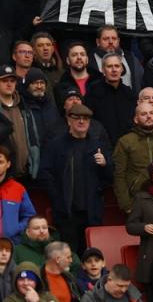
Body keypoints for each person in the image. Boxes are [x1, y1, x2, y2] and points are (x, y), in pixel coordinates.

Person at [37, 103, 112, 253]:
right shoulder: (55, 145)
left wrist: (105, 165)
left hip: (91, 212)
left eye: (85, 118)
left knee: (91, 255)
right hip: (66, 213)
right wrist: (57, 199)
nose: (81, 121)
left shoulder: (98, 146)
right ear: (68, 120)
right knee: (68, 257)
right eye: (76, 118)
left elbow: (109, 178)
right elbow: (44, 174)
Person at [85, 53, 136, 146]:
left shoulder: (128, 93)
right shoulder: (93, 92)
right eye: (109, 66)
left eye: (117, 66)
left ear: (122, 69)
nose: (114, 70)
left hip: (126, 146)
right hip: (101, 145)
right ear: (103, 70)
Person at [0, 64, 38, 179]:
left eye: (12, 80)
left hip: (27, 173)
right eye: (4, 80)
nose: (9, 84)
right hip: (4, 175)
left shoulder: (23, 107)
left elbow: (33, 138)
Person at [87, 26, 142, 94]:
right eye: (106, 39)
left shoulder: (131, 59)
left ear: (118, 41)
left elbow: (141, 82)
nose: (110, 42)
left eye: (114, 38)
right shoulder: (88, 61)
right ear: (98, 42)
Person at [12, 218, 78, 273]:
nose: (41, 231)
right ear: (28, 232)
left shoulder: (60, 248)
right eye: (36, 228)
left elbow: (76, 268)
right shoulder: (16, 251)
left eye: (44, 228)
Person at [0, 147, 33, 244]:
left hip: (11, 245)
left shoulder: (18, 188)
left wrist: (15, 228)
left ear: (8, 164)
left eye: (0, 162)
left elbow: (29, 216)